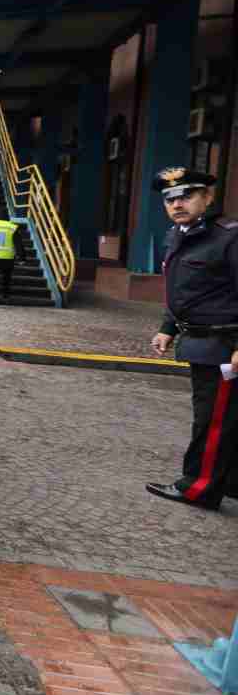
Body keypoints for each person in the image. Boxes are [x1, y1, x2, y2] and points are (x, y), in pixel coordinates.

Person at [146, 167, 238, 510]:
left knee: (212, 421)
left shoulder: (229, 237)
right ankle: (229, 482)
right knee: (224, 417)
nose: (177, 203)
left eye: (187, 195)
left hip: (224, 347)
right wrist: (168, 327)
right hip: (199, 343)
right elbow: (183, 290)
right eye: (170, 199)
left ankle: (197, 487)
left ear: (208, 198)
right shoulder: (178, 235)